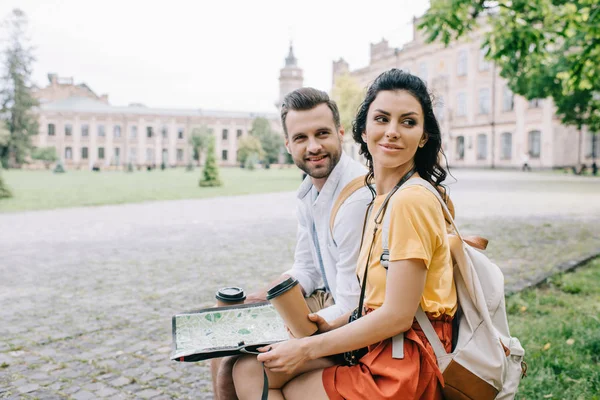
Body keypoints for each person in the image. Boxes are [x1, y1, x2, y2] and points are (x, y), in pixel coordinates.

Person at [232, 69, 457, 400]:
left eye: (408, 122)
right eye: (382, 119)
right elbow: (367, 299)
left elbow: (397, 315)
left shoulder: (409, 199)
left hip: (402, 367)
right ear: (363, 131)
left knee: (277, 382)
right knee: (257, 369)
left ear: (424, 136)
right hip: (385, 348)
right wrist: (329, 326)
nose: (392, 132)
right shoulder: (386, 197)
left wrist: (307, 348)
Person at [210, 87, 371, 399]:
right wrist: (272, 292)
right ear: (287, 144)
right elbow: (308, 268)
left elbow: (354, 306)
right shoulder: (310, 192)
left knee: (243, 366)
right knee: (223, 345)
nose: (313, 146)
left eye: (322, 133)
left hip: (353, 332)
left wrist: (289, 331)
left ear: (340, 133)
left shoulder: (356, 197)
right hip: (329, 312)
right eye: (301, 138)